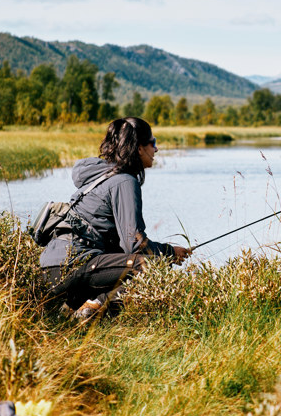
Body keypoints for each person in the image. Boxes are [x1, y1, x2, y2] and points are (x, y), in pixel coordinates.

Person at [39, 117, 191, 322]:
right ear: (139, 148)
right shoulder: (125, 181)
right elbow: (135, 244)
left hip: (51, 267)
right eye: (153, 143)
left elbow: (121, 246)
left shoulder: (101, 175)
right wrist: (169, 252)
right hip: (75, 264)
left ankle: (67, 311)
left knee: (117, 258)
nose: (156, 149)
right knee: (151, 266)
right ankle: (87, 315)